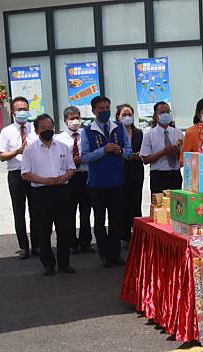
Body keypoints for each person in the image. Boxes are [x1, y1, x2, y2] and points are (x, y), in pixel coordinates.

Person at [21, 114, 76, 276]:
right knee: (44, 230)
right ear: (37, 131)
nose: (48, 130)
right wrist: (44, 180)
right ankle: (48, 264)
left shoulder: (63, 147)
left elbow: (71, 168)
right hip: (41, 192)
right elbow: (25, 174)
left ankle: (64, 263)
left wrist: (65, 177)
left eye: (50, 127)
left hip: (62, 191)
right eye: (44, 128)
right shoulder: (30, 151)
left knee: (64, 229)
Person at [81, 96, 132, 268]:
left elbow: (128, 151)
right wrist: (104, 150)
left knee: (116, 219)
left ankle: (115, 253)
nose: (104, 111)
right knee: (100, 220)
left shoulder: (119, 128)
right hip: (97, 183)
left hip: (117, 181)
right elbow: (85, 156)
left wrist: (119, 150)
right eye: (101, 108)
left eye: (107, 107)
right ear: (94, 111)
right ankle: (104, 255)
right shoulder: (88, 130)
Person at [0, 96, 38, 259]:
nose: (23, 112)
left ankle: (37, 245)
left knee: (36, 211)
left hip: (34, 173)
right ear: (13, 112)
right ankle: (24, 247)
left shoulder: (35, 128)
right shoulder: (6, 132)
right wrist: (16, 151)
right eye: (19, 109)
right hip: (16, 174)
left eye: (25, 109)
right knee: (19, 211)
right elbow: (2, 156)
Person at [55, 106, 94, 253]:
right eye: (72, 118)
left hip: (85, 175)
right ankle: (72, 243)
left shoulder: (86, 134)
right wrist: (72, 161)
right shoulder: (59, 139)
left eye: (78, 117)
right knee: (69, 212)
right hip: (69, 177)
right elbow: (58, 160)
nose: (75, 121)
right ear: (65, 120)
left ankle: (86, 241)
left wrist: (84, 159)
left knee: (85, 211)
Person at [140, 102, 183, 194]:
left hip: (175, 175)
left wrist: (177, 152)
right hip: (158, 176)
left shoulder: (178, 132)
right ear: (156, 116)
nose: (166, 115)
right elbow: (145, 159)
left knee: (177, 205)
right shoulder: (149, 135)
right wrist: (163, 152)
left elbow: (185, 157)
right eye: (162, 112)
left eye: (168, 112)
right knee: (158, 206)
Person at [116, 104, 144, 241]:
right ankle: (125, 235)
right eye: (124, 115)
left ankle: (138, 234)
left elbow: (143, 150)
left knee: (136, 202)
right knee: (122, 203)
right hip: (121, 170)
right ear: (118, 117)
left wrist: (137, 155)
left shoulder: (139, 132)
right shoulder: (115, 133)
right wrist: (125, 154)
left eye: (130, 114)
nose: (127, 117)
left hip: (137, 169)